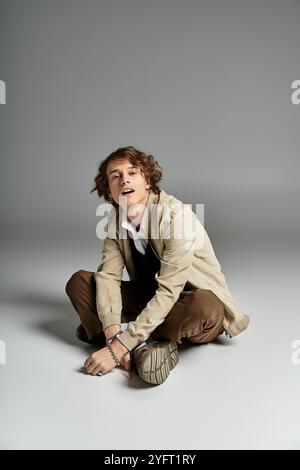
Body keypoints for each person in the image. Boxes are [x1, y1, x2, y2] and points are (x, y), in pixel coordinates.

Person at [65, 146, 250, 385]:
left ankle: (129, 340)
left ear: (148, 180)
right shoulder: (115, 219)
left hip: (187, 303)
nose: (124, 180)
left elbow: (169, 290)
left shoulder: (175, 216)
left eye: (132, 172)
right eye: (115, 176)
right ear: (108, 190)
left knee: (207, 305)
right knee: (80, 282)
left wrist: (115, 349)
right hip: (149, 299)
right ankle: (145, 349)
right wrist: (112, 333)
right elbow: (108, 276)